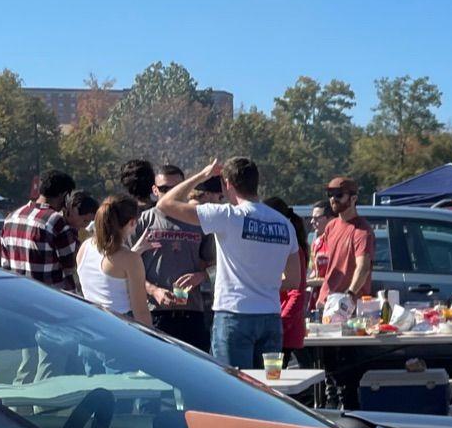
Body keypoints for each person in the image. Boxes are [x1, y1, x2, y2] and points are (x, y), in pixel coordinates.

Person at [156, 155, 305, 370]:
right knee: (266, 393)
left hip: (235, 315)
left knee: (234, 392)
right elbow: (293, 280)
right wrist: (263, 282)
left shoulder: (227, 215)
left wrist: (203, 174)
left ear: (228, 185)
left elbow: (165, 204)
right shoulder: (284, 224)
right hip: (271, 317)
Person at [132, 162, 212, 351]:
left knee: (196, 373)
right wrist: (154, 291)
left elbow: (216, 264)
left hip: (193, 311)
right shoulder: (144, 220)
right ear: (154, 190)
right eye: (164, 188)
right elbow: (127, 268)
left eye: (176, 188)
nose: (170, 193)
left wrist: (201, 276)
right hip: (155, 312)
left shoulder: (200, 220)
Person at [77, 196, 153, 327]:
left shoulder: (85, 247)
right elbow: (141, 312)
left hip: (90, 327)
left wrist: (135, 250)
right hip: (120, 331)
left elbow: (110, 272)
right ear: (132, 222)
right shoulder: (130, 260)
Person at [0, 171, 80, 291]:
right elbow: (71, 264)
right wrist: (74, 226)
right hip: (48, 298)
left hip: (16, 295)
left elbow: (5, 265)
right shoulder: (56, 221)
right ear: (64, 195)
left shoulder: (11, 218)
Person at [311, 177, 374, 302]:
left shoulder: (362, 231)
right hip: (326, 301)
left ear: (354, 198)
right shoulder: (331, 226)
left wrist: (349, 295)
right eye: (330, 194)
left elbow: (363, 268)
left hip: (348, 306)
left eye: (339, 195)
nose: (333, 199)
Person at [268, 197, 311, 358]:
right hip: (280, 327)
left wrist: (282, 324)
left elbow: (297, 292)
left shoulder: (293, 250)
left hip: (285, 330)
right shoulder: (284, 247)